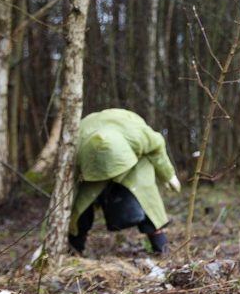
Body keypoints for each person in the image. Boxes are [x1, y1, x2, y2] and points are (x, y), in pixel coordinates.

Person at [68, 108, 180, 257]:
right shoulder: (74, 148)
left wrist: (168, 175)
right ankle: (74, 250)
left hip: (133, 166)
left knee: (147, 198)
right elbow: (67, 187)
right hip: (90, 171)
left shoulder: (137, 134)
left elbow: (157, 147)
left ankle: (162, 249)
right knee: (80, 208)